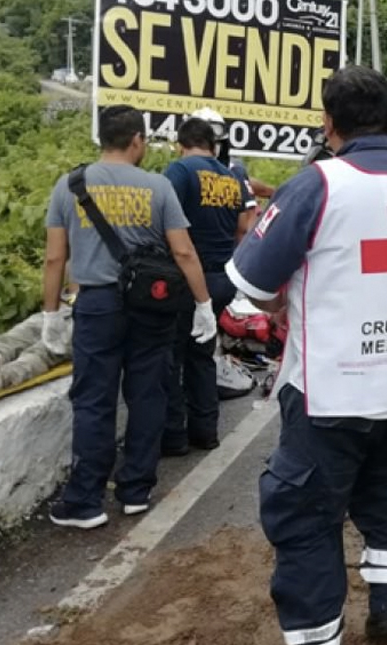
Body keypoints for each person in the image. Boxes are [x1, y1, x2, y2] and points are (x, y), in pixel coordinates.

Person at [226, 66, 387, 643]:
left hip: (332, 391)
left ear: (328, 124)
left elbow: (256, 287)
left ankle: (316, 635)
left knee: (305, 515)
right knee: (385, 489)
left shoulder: (317, 185)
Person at [42, 105, 215, 530]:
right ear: (137, 140)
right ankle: (136, 490)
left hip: (96, 305)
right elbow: (184, 252)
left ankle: (85, 501)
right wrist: (204, 304)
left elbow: (53, 258)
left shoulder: (69, 185)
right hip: (150, 305)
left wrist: (50, 314)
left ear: (102, 139)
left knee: (94, 399)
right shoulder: (158, 187)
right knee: (148, 393)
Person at [160, 118, 252, 456]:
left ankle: (173, 436)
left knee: (172, 355)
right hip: (223, 278)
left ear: (183, 143)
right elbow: (244, 225)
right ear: (211, 144)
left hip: (189, 279)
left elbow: (165, 222)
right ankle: (206, 431)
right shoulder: (231, 177)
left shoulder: (180, 171)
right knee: (202, 355)